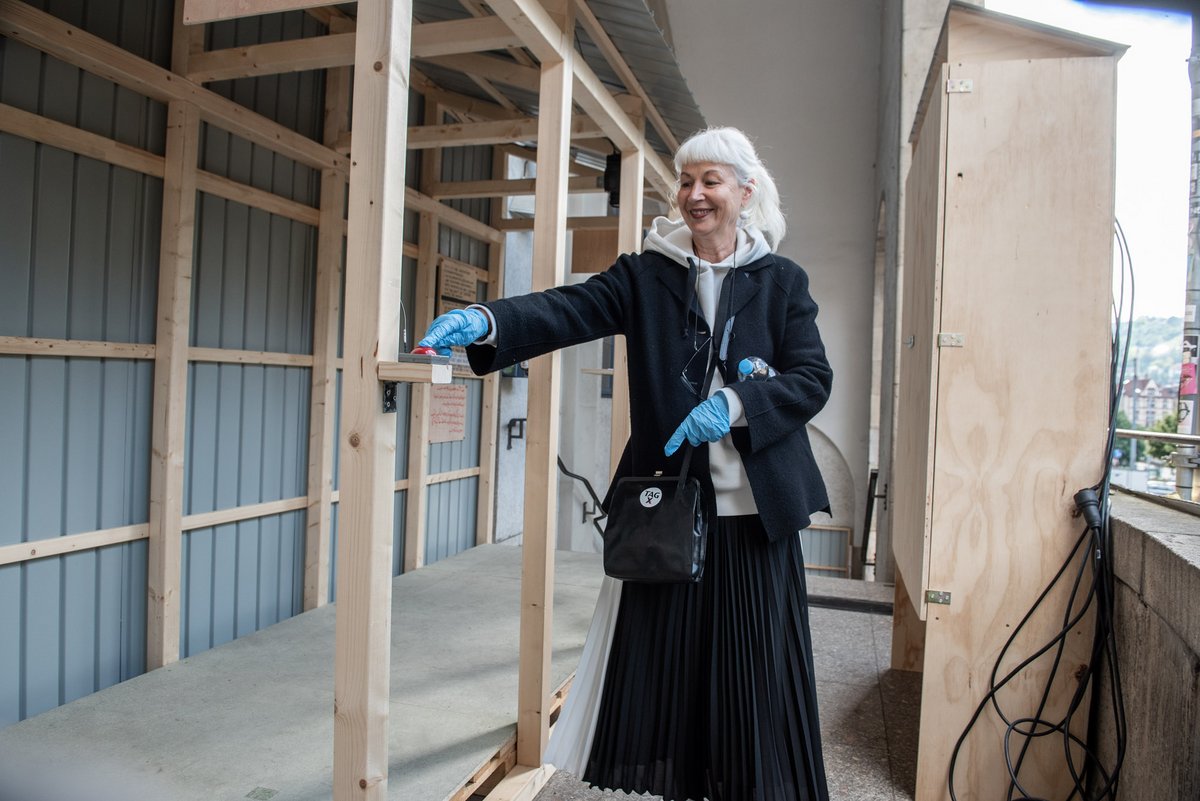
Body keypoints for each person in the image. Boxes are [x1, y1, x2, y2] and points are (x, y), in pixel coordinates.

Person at [418, 126, 832, 801]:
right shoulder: (647, 274)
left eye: (711, 181)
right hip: (670, 515)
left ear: (745, 192)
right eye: (687, 180)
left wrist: (735, 403)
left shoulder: (781, 281)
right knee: (673, 677)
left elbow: (813, 378)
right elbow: (568, 308)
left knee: (754, 675)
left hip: (758, 517)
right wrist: (489, 321)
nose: (694, 194)